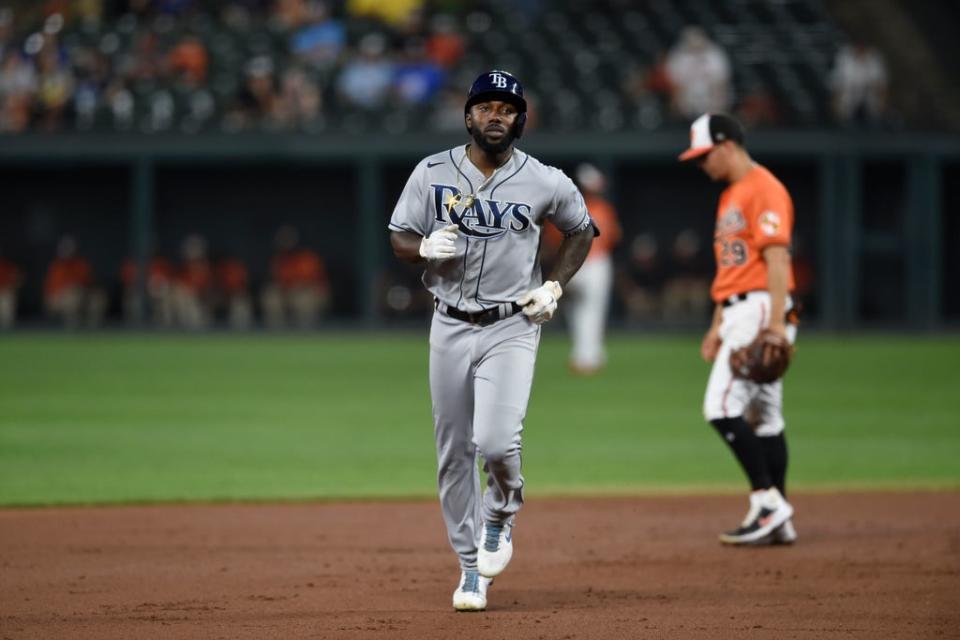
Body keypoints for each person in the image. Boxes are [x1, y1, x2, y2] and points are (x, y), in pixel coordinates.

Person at [388, 70, 594, 612]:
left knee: (498, 443)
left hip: (512, 325)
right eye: (485, 106)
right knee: (453, 453)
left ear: (520, 119)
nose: (495, 115)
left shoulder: (545, 180)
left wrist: (554, 284)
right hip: (448, 323)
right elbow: (399, 235)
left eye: (506, 107)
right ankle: (471, 567)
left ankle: (500, 515)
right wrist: (422, 248)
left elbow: (581, 229)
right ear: (468, 116)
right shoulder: (431, 171)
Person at [678, 113, 798, 546]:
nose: (702, 164)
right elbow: (733, 267)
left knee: (720, 407)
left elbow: (777, 259)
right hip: (738, 308)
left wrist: (776, 327)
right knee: (764, 416)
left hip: (761, 309)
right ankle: (779, 518)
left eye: (705, 155)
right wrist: (717, 324)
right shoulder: (731, 195)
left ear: (727, 145)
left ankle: (767, 500)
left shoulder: (763, 188)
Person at [544, 163, 622, 374]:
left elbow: (552, 239)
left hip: (581, 262)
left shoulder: (573, 208)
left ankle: (587, 355)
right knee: (589, 310)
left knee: (580, 309)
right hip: (592, 263)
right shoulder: (601, 209)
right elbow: (614, 237)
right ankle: (589, 356)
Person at [261, 225, 330, 329]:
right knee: (271, 296)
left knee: (303, 299)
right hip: (288, 293)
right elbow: (277, 282)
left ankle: (306, 334)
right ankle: (278, 335)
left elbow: (313, 284)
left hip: (313, 293)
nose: (285, 243)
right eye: (283, 240)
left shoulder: (307, 258)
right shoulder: (279, 260)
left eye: (288, 239)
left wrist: (293, 290)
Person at [44, 235, 107, 329]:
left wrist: (80, 290)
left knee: (97, 298)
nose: (67, 251)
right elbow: (51, 292)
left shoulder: (81, 265)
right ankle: (72, 330)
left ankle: (93, 330)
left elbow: (90, 284)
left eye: (69, 249)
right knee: (72, 298)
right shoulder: (56, 267)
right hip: (58, 299)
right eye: (64, 249)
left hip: (82, 295)